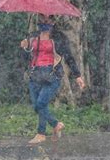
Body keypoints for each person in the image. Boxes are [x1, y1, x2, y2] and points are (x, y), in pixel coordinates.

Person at [20, 14, 85, 144]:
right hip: (35, 75)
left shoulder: (59, 38)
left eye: (47, 18)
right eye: (41, 18)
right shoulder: (33, 36)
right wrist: (24, 47)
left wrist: (77, 75)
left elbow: (68, 57)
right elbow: (25, 58)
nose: (44, 21)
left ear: (53, 21)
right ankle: (54, 126)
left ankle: (42, 133)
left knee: (41, 104)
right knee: (37, 106)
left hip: (52, 75)